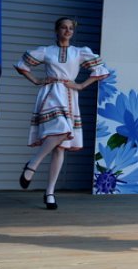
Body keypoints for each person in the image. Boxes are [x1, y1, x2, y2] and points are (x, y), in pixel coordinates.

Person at [15, 17, 109, 210]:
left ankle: (49, 192)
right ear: (56, 30)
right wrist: (36, 80)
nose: (67, 31)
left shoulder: (78, 52)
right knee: (63, 129)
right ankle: (33, 164)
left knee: (60, 148)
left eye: (70, 28)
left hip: (70, 95)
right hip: (51, 94)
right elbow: (22, 64)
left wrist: (81, 85)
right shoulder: (47, 51)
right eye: (64, 28)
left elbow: (100, 69)